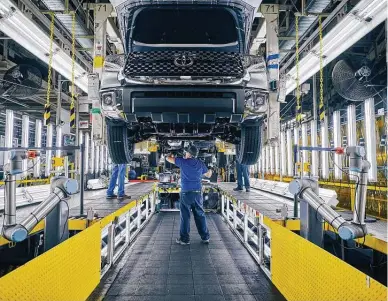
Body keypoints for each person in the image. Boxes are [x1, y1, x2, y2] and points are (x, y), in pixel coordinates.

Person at [166, 145, 213, 245]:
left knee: (185, 216)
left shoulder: (183, 161)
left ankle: (184, 239)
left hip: (186, 193)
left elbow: (168, 159)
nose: (185, 153)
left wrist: (169, 154)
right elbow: (208, 174)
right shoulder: (200, 163)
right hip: (197, 193)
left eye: (186, 152)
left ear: (189, 154)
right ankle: (205, 237)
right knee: (200, 215)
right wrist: (211, 169)